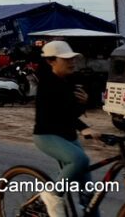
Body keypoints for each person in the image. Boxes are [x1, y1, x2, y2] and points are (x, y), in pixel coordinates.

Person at [34, 40, 96, 217]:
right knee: (80, 160)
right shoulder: (47, 85)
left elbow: (72, 111)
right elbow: (58, 114)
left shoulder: (70, 81)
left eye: (73, 59)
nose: (72, 62)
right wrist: (84, 128)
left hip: (68, 136)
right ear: (51, 61)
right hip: (47, 136)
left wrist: (85, 103)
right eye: (66, 59)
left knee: (88, 193)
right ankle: (52, 194)